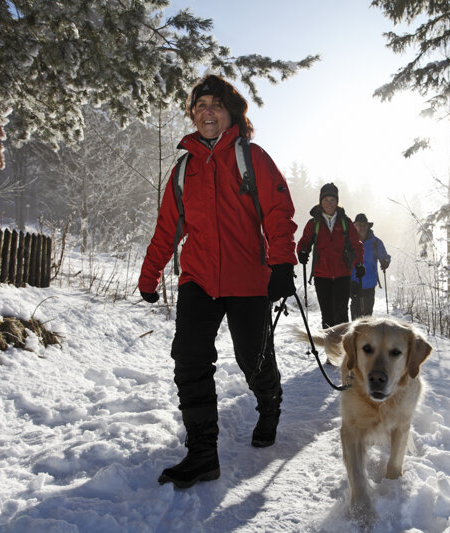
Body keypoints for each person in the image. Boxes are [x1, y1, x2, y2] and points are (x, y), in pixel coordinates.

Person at [138, 74, 298, 489]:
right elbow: (167, 228)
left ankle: (269, 403)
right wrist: (149, 273)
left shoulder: (252, 157)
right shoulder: (184, 168)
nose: (208, 112)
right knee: (189, 360)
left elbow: (278, 211)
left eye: (216, 105)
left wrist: (281, 264)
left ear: (231, 113)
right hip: (198, 279)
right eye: (200, 105)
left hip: (248, 281)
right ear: (193, 115)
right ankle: (202, 453)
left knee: (253, 358)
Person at [296, 183, 364, 330]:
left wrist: (359, 263)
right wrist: (302, 251)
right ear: (320, 201)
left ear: (337, 201)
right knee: (327, 316)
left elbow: (356, 245)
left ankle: (342, 351)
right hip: (322, 275)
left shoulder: (346, 222)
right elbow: (305, 241)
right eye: (326, 200)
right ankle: (330, 352)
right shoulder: (314, 223)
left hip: (343, 275)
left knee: (341, 315)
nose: (329, 203)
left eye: (332, 200)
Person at [350, 213, 391, 319]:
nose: (361, 227)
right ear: (354, 226)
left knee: (368, 314)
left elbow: (383, 255)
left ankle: (365, 335)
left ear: (368, 226)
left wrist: (385, 261)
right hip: (354, 282)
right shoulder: (349, 241)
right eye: (359, 225)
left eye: (364, 225)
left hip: (369, 283)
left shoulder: (376, 242)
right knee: (356, 313)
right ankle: (356, 334)